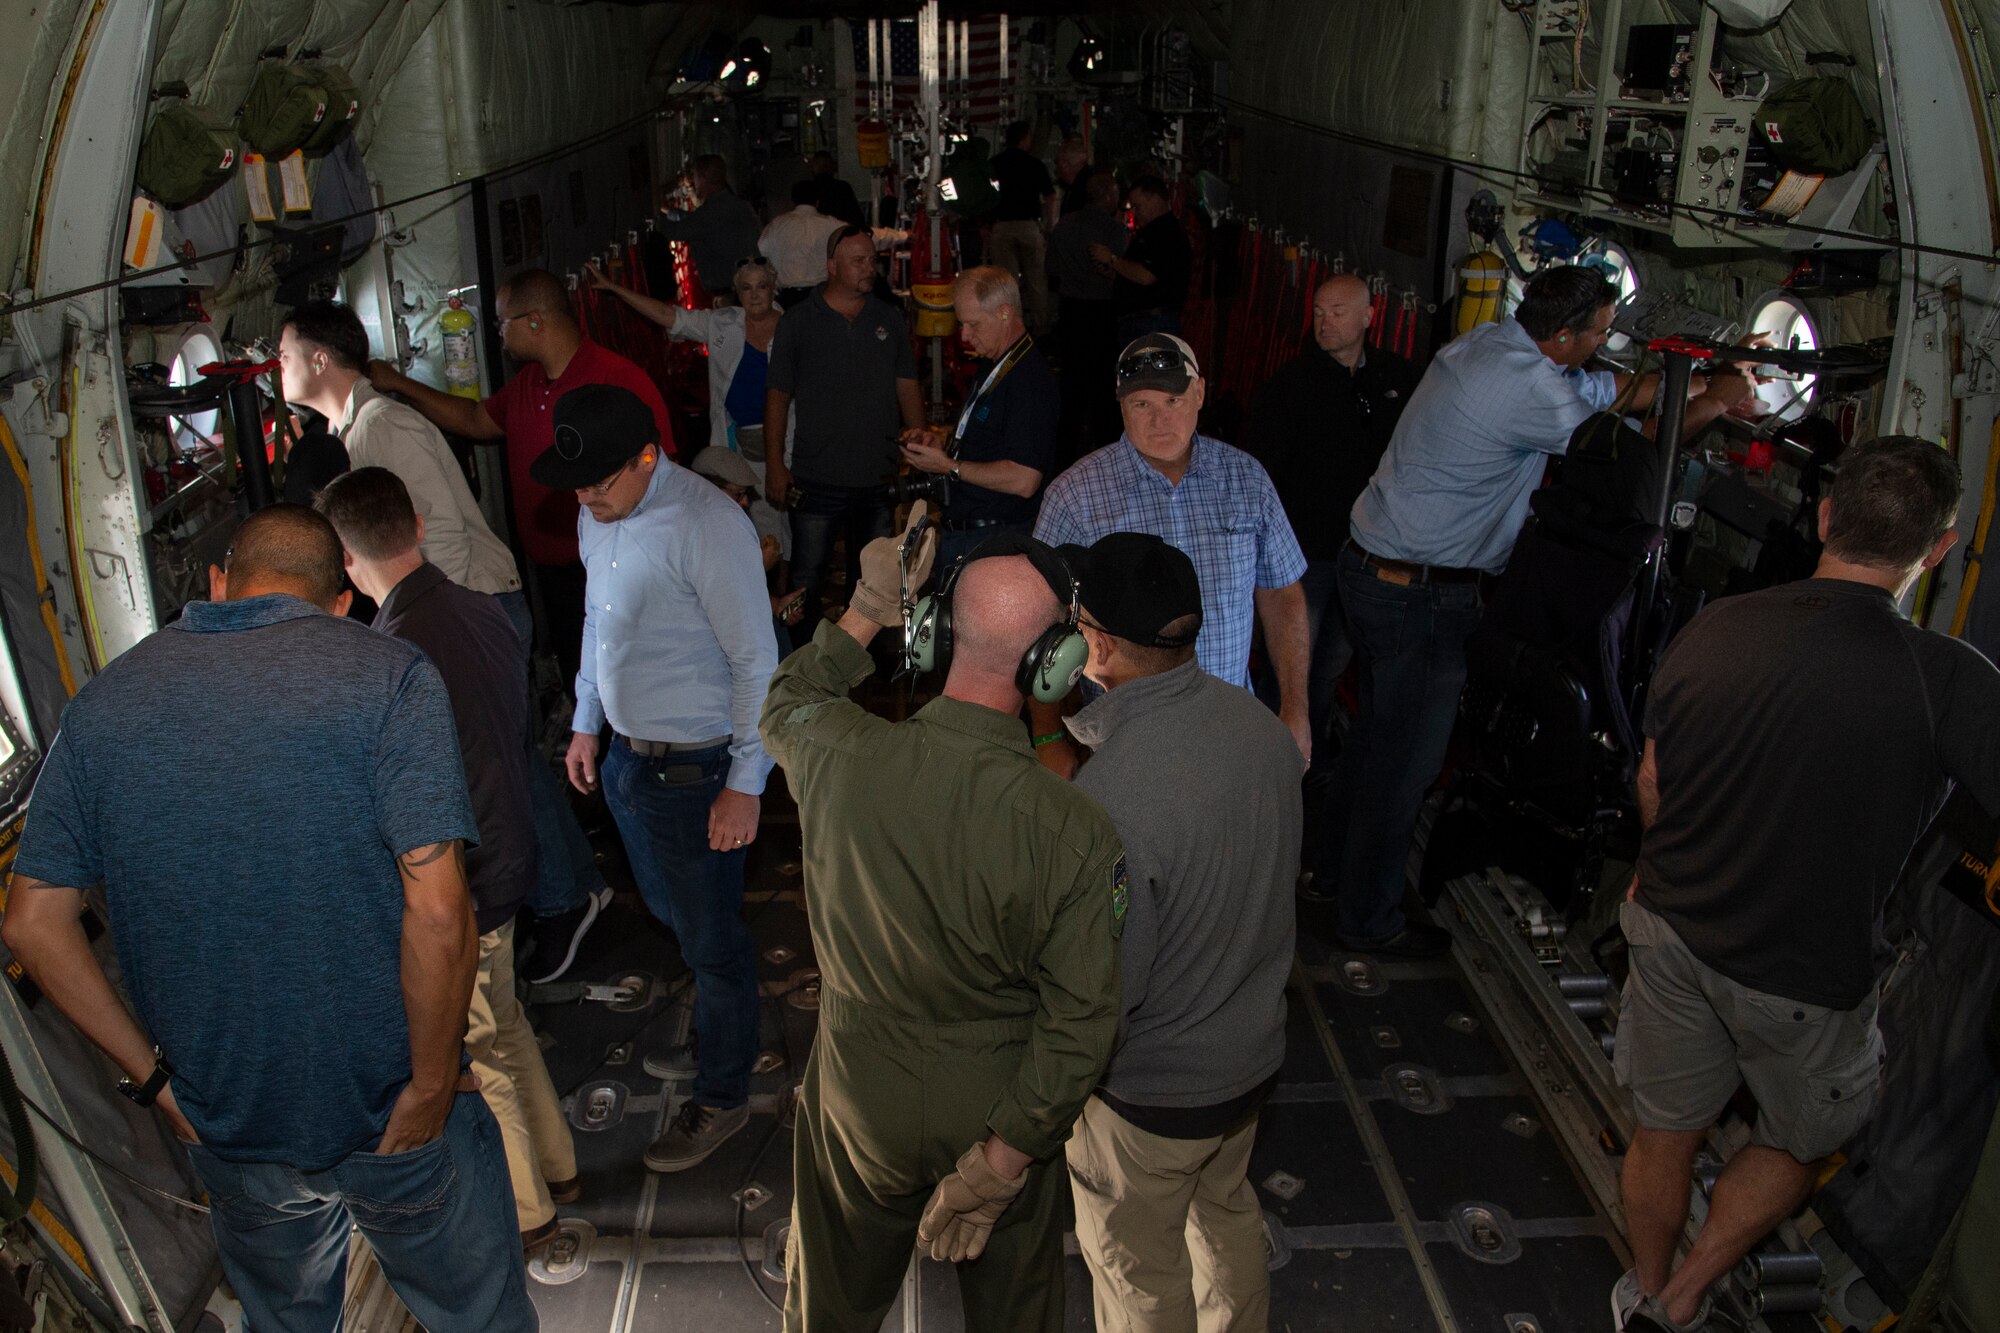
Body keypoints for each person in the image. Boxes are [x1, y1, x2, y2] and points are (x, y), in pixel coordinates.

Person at [3, 505, 535, 1332]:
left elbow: (33, 923)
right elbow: (437, 911)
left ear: (218, 584)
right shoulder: (389, 677)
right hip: (391, 1113)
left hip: (229, 1126)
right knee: (481, 1316)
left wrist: (155, 1082)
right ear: (340, 604)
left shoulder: (101, 706)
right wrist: (431, 1086)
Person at [1611, 435, 2000, 1333]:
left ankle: (1644, 1282)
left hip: (1672, 930)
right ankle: (1687, 1290)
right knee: (1802, 1136)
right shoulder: (1947, 682)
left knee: (1664, 1129)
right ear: (1937, 550)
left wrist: (1658, 869)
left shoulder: (1718, 627)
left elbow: (1654, 780)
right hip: (1807, 979)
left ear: (1826, 518)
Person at [1320, 265, 1754, 956]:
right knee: (1407, 765)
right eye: (1600, 334)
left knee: (1376, 737)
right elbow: (1629, 457)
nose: (1604, 345)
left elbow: (1599, 393)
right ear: (1562, 336)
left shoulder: (1492, 346)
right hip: (1420, 597)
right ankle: (1367, 920)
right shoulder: (1526, 387)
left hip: (1373, 570)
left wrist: (1696, 380)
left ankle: (1327, 871)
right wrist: (1721, 401)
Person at [761, 514, 1124, 1332]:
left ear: (929, 634)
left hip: (859, 1094)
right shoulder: (1073, 828)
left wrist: (866, 602)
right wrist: (1000, 1163)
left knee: (829, 1307)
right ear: (1053, 663)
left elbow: (790, 696)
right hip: (997, 1103)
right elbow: (1081, 1024)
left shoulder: (840, 753)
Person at [316, 466, 582, 1255]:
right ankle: (561, 1165)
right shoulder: (480, 608)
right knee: (508, 1027)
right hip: (514, 849)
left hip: (469, 876)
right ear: (419, 526)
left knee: (478, 1048)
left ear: (344, 557)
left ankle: (530, 1214)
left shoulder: (390, 655)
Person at [1055, 532, 1299, 1333]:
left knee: (1138, 1273)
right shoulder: (1260, 727)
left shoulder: (1112, 795)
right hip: (1249, 1061)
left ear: (1094, 645)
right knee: (1226, 1218)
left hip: (1151, 1097)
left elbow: (1104, 991)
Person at [536, 383, 779, 1171]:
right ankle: (726, 1019)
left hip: (698, 771)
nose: (586, 500)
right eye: (577, 486)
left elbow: (757, 662)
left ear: (649, 457)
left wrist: (747, 781)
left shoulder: (709, 525)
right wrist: (585, 718)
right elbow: (596, 619)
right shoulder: (596, 510)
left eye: (600, 483)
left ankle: (724, 1092)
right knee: (681, 919)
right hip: (627, 764)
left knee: (711, 941)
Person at [367, 269, 632, 980]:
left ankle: (623, 821)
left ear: (535, 322)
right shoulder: (526, 390)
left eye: (505, 322)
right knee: (564, 709)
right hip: (548, 570)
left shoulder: (610, 378)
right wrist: (400, 384)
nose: (498, 334)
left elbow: (651, 474)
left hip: (601, 569)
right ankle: (592, 847)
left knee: (603, 698)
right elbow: (478, 422)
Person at [1033, 333, 1311, 772]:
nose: (1159, 420)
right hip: (1124, 746)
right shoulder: (1074, 495)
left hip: (1234, 733)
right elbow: (1041, 624)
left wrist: (1296, 709)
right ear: (1120, 404)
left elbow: (1283, 595)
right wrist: (1048, 736)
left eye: (1173, 400)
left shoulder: (1247, 480)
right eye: (1142, 404)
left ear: (1199, 393)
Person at [1244, 274, 1420, 779]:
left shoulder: (1398, 381)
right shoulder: (1289, 388)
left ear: (1369, 316)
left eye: (1338, 312)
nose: (1325, 322)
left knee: (1328, 673)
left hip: (1366, 555)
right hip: (1306, 557)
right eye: (1319, 312)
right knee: (1286, 670)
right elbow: (1264, 475)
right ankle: (1271, 773)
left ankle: (1309, 765)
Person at [278, 301, 520, 603]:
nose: (279, 368)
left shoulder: (383, 425)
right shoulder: (340, 434)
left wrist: (436, 623)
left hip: (472, 606)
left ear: (319, 361)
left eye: (284, 356)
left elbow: (442, 536)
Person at [765, 225, 924, 622]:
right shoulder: (798, 323)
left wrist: (920, 441)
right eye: (858, 261)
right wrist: (774, 465)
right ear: (831, 266)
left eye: (872, 260)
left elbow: (906, 382)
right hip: (817, 475)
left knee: (870, 579)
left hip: (876, 475)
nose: (869, 268)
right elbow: (777, 397)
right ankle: (803, 664)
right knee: (807, 575)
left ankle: (858, 661)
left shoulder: (888, 317)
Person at [898, 266, 1058, 569]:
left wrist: (949, 466)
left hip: (995, 539)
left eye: (973, 324)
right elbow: (990, 444)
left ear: (1004, 313)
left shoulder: (1030, 380)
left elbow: (1024, 479)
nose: (965, 335)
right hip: (971, 533)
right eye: (962, 324)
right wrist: (942, 447)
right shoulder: (993, 362)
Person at [586, 255, 789, 465]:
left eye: (762, 286)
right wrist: (614, 287)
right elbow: (667, 315)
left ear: (773, 288)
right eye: (747, 288)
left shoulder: (794, 328)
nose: (754, 295)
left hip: (790, 438)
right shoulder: (721, 322)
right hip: (737, 444)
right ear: (737, 293)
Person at [688, 444, 806, 651]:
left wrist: (776, 606)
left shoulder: (728, 523)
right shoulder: (688, 531)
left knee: (775, 630)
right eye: (738, 494)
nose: (744, 502)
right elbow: (713, 598)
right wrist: (756, 566)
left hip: (733, 623)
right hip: (703, 640)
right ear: (708, 489)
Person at [1047, 172, 1129, 467]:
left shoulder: (1064, 227)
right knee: (1103, 387)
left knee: (1071, 385)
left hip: (1072, 311)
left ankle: (1064, 454)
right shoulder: (1115, 231)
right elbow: (1122, 275)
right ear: (1108, 196)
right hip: (1102, 314)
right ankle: (1108, 452)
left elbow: (1052, 271)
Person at [655, 154, 764, 301]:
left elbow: (674, 231)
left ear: (704, 178)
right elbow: (695, 221)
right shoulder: (738, 205)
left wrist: (655, 213)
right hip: (748, 288)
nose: (694, 183)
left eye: (695, 177)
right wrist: (669, 211)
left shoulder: (711, 213)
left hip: (729, 294)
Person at [1095, 175, 1191, 340]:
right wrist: (1115, 274)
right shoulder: (1150, 231)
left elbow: (1147, 275)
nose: (1134, 211)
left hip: (1151, 322)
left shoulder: (1166, 233)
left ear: (1154, 199)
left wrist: (1112, 259)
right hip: (1140, 321)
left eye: (1138, 206)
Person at [984, 121, 1055, 336]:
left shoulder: (994, 164)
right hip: (1028, 226)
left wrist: (985, 225)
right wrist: (1049, 223)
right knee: (1037, 281)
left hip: (1002, 227)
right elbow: (1051, 196)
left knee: (1006, 283)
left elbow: (986, 198)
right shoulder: (1034, 164)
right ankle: (1041, 327)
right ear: (1025, 138)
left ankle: (1010, 328)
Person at [760, 180, 844, 310]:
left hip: (787, 298)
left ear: (793, 201)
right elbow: (863, 237)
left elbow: (762, 252)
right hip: (822, 295)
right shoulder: (831, 224)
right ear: (817, 201)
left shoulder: (777, 224)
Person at [808, 150, 866, 227]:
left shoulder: (809, 189)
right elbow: (856, 216)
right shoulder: (843, 187)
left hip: (818, 231)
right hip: (842, 231)